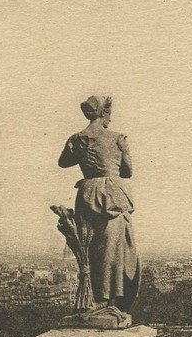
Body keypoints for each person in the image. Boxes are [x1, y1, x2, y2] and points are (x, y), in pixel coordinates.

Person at [59, 95, 140, 318]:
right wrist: (123, 151)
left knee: (91, 247)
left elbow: (64, 162)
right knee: (111, 249)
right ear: (104, 114)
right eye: (109, 115)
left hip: (88, 192)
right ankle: (107, 299)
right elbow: (127, 172)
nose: (110, 121)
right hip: (113, 194)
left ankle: (94, 298)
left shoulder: (78, 138)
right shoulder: (117, 138)